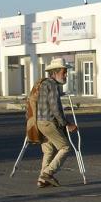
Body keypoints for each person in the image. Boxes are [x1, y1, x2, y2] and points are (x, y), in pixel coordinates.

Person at [33, 58, 77, 188]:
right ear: (55, 72)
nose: (65, 75)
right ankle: (47, 173)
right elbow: (55, 108)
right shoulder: (52, 85)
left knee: (49, 150)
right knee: (65, 148)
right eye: (64, 72)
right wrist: (66, 124)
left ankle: (42, 180)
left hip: (40, 122)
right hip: (49, 122)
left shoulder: (43, 84)